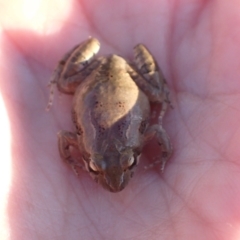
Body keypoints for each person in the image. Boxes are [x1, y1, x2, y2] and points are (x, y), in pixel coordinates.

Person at [0, 1, 239, 239]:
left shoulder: (117, 143)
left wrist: (71, 160)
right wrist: (163, 154)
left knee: (155, 95)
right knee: (149, 94)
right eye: (96, 168)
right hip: (103, 75)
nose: (116, 181)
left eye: (128, 163)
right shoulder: (92, 145)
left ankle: (87, 62)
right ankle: (67, 70)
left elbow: (66, 138)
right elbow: (155, 131)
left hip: (124, 73)